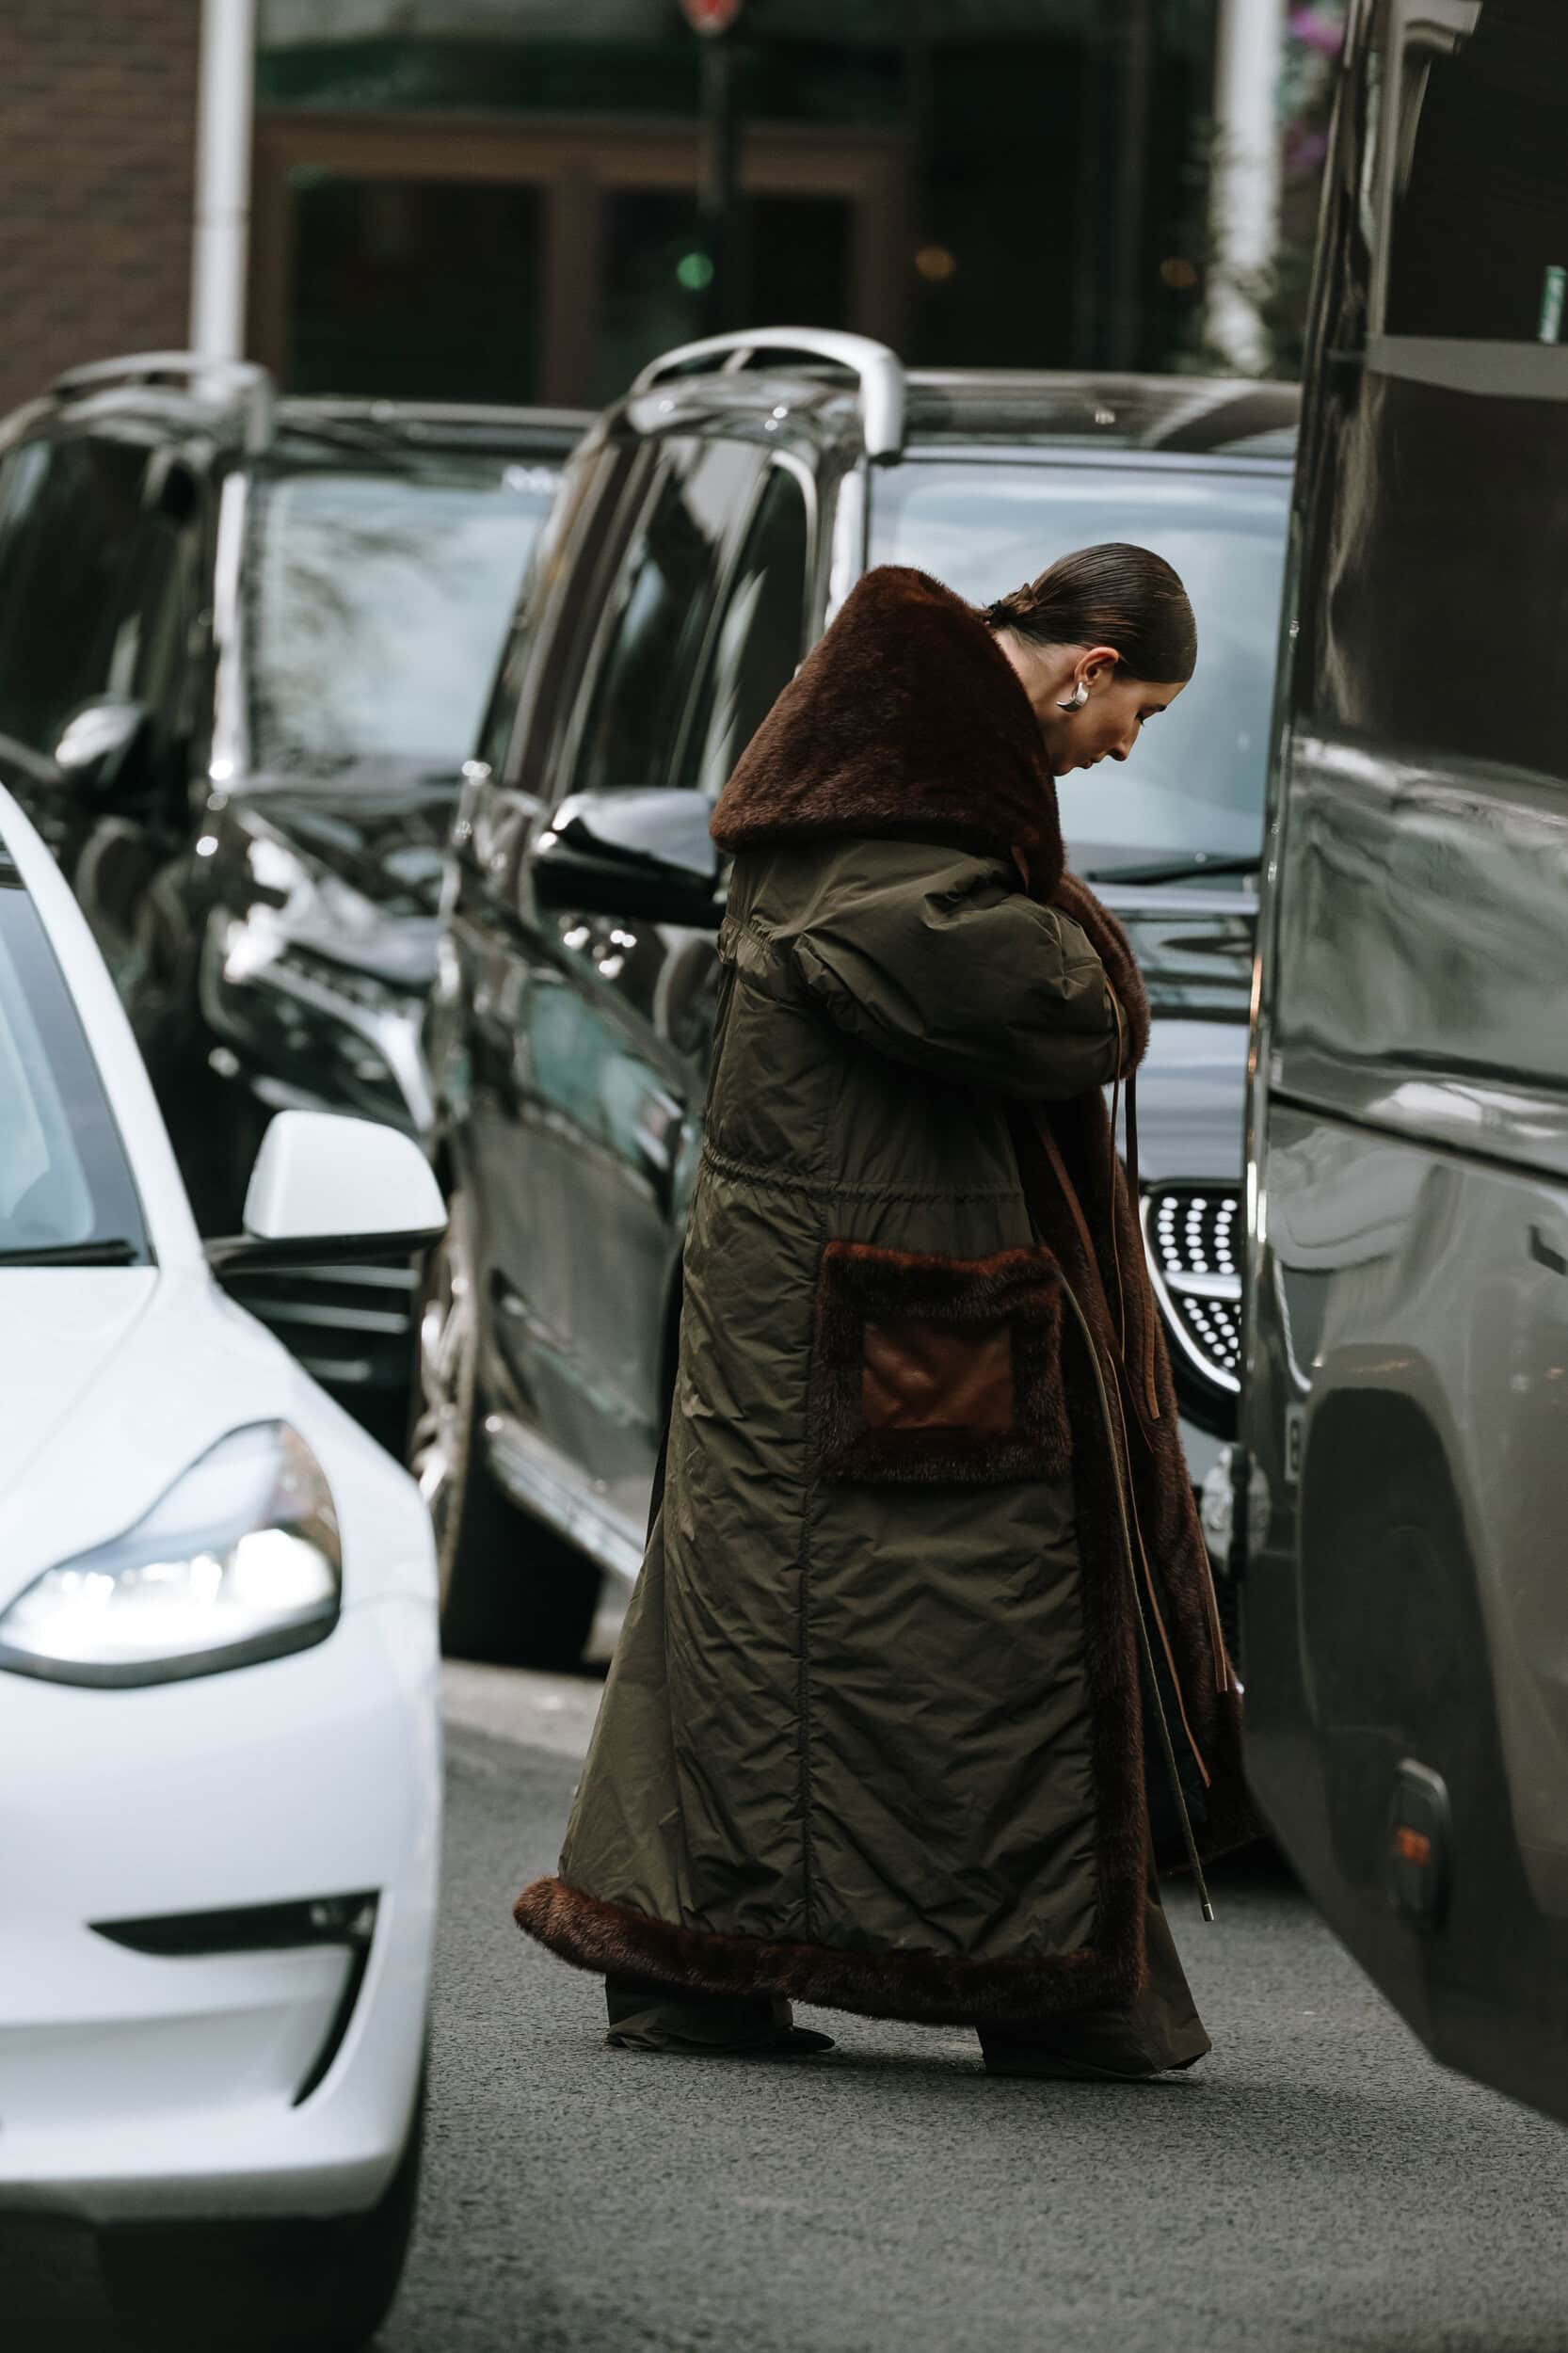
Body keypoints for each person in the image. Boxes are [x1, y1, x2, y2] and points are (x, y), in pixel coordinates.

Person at [515, 548, 1250, 2078]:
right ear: (1085, 666)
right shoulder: (898, 806)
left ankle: (705, 1967)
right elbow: (1036, 1002)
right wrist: (1101, 965)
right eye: (1142, 713)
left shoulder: (896, 774)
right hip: (880, 1298)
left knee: (797, 1625)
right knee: (956, 1634)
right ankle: (1029, 1983)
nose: (1124, 749)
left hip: (860, 1288)